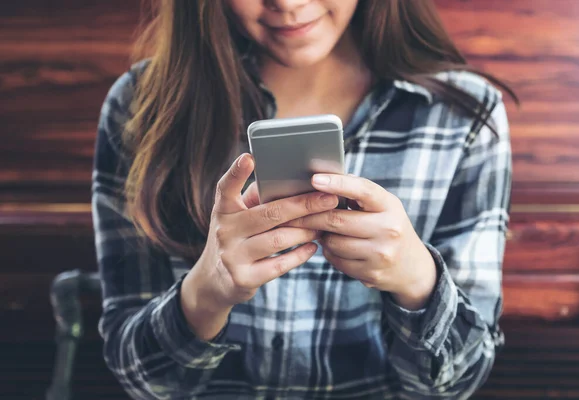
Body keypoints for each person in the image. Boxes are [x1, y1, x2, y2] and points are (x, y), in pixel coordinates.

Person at [93, 0, 515, 399]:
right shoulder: (144, 105)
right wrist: (206, 293)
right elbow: (140, 378)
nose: (289, 4)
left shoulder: (464, 116)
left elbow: (461, 380)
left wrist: (417, 282)